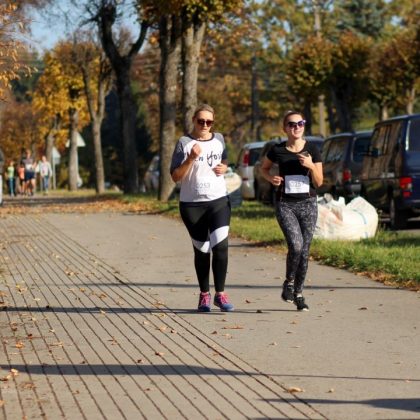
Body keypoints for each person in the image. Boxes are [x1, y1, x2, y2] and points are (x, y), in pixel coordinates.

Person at [170, 104, 234, 312]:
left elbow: (224, 157)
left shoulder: (219, 139)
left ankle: (220, 294)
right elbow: (175, 176)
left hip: (218, 201)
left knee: (221, 246)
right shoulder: (184, 143)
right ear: (194, 121)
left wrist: (225, 166)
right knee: (203, 250)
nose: (205, 125)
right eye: (201, 121)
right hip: (192, 205)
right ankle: (204, 294)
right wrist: (190, 158)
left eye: (209, 122)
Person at [261, 110, 323, 311]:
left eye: (300, 123)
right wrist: (271, 178)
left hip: (308, 204)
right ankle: (289, 281)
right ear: (285, 128)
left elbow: (319, 182)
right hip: (285, 204)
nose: (296, 127)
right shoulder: (277, 150)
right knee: (296, 245)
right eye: (292, 124)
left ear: (304, 125)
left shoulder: (312, 149)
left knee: (304, 251)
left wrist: (311, 165)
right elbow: (263, 168)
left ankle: (299, 294)